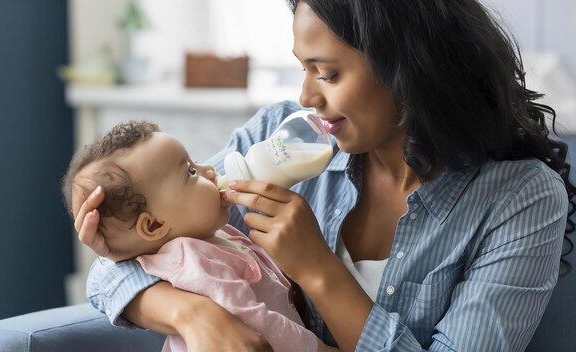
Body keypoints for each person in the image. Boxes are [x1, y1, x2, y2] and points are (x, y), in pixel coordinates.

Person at [74, 1, 575, 351]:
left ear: (410, 67)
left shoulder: (519, 199)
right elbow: (125, 249)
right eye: (304, 69)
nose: (308, 98)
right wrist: (194, 315)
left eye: (328, 73)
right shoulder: (276, 138)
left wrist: (318, 270)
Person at [62, 121, 336, 352]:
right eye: (191, 171)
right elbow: (259, 323)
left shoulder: (214, 233)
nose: (209, 170)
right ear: (155, 225)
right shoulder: (192, 261)